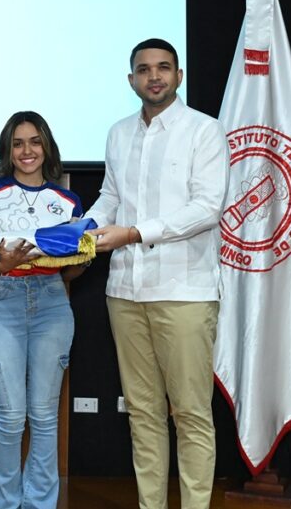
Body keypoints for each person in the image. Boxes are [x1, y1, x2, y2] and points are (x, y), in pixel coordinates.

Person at [86, 38, 229, 509]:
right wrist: (79, 231)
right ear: (131, 80)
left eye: (163, 68)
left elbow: (206, 209)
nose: (154, 76)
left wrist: (133, 233)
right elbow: (110, 197)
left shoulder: (204, 130)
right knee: (142, 414)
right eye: (144, 69)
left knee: (190, 413)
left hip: (184, 290)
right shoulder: (118, 133)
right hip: (125, 291)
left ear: (178, 76)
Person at [0, 111, 87, 509]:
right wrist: (5, 264)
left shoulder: (68, 200)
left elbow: (71, 271)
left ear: (46, 146)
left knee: (45, 417)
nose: (26, 150)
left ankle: (40, 504)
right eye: (18, 143)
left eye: (34, 142)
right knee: (11, 417)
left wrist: (84, 258)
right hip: (3, 301)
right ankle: (4, 503)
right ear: (8, 150)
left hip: (52, 303)